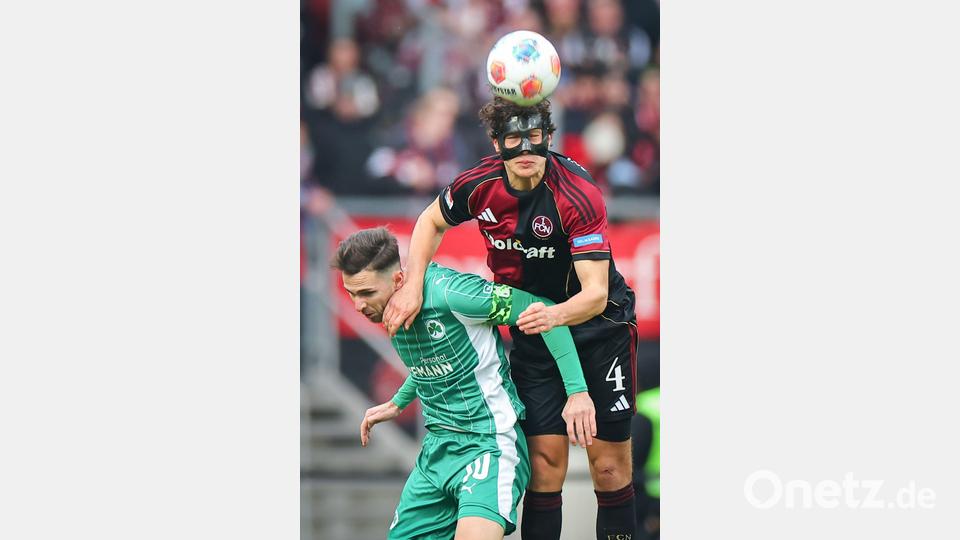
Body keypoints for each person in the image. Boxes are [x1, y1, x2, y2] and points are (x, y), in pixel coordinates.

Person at [383, 97, 640, 540]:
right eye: (514, 138)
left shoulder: (577, 193)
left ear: (548, 138)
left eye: (535, 137)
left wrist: (548, 315)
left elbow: (595, 294)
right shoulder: (479, 183)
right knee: (543, 465)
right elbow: (429, 221)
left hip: (601, 331)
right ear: (496, 142)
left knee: (610, 467)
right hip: (534, 336)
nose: (525, 148)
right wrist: (412, 283)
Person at [334, 227, 597, 540]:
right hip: (437, 451)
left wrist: (577, 391)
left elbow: (542, 312)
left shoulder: (452, 294)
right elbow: (434, 362)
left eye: (366, 293)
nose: (358, 306)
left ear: (399, 280)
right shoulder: (388, 309)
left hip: (488, 444)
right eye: (351, 294)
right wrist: (397, 403)